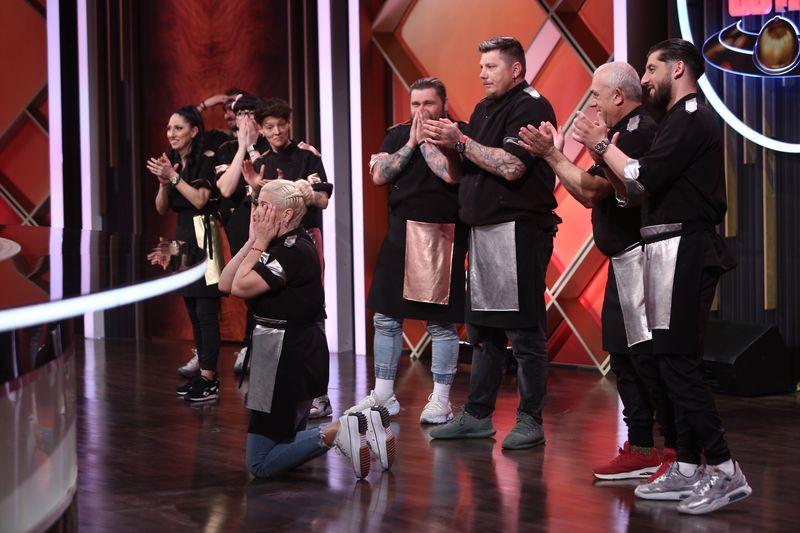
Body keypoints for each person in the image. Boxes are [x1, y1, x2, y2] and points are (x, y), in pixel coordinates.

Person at [571, 38, 750, 514]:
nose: (645, 78)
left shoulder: (692, 116)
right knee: (670, 361)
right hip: (664, 246)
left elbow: (640, 175)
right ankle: (687, 465)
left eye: (652, 68)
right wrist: (605, 154)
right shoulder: (675, 120)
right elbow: (634, 190)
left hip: (684, 247)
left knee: (677, 361)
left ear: (679, 69)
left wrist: (600, 145)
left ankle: (724, 468)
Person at [517, 62, 677, 480]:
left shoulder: (637, 132)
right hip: (622, 261)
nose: (592, 103)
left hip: (642, 261)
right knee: (624, 358)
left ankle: (676, 452)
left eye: (596, 95)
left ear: (618, 96)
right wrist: (554, 156)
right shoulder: (617, 134)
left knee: (648, 361)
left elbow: (593, 189)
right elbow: (584, 191)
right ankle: (641, 448)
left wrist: (552, 154)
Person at [424, 37, 559, 450]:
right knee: (483, 332)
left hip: (519, 231)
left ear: (516, 70)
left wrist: (461, 141)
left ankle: (530, 419)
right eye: (480, 66)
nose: (482, 74)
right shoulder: (484, 109)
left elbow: (513, 166)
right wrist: (448, 147)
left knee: (524, 332)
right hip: (483, 233)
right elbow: (460, 173)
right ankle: (478, 415)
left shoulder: (531, 106)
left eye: (491, 66)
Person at [218, 180, 395, 477]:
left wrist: (258, 243)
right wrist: (253, 241)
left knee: (259, 463)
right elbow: (225, 283)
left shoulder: (291, 251)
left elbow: (239, 287)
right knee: (284, 444)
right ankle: (367, 424)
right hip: (287, 352)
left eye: (264, 206)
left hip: (282, 355)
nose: (256, 212)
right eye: (256, 204)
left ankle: (339, 430)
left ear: (286, 214)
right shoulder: (285, 243)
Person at [346, 77, 466, 424]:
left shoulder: (458, 134)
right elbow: (379, 175)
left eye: (428, 103)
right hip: (400, 232)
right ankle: (384, 394)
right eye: (415, 104)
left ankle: (441, 400)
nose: (421, 111)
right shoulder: (399, 134)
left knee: (441, 325)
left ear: (443, 104)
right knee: (385, 318)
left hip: (440, 235)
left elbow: (450, 176)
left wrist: (426, 142)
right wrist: (412, 141)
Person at [252, 98, 334, 419]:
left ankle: (320, 395)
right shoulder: (260, 161)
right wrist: (256, 189)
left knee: (311, 314)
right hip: (269, 243)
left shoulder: (307, 155)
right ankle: (270, 391)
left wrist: (293, 190)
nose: (276, 132)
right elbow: (256, 208)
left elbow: (323, 199)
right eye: (269, 127)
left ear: (290, 123)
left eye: (280, 125)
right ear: (261, 130)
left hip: (304, 242)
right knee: (269, 311)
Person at [147, 105, 224, 402]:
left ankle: (210, 377)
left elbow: (201, 200)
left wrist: (174, 178)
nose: (171, 133)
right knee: (192, 308)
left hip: (205, 232)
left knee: (206, 310)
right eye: (169, 128)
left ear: (194, 131)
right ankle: (202, 372)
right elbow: (161, 208)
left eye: (178, 128)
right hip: (182, 236)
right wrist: (163, 183)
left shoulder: (206, 158)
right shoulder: (172, 161)